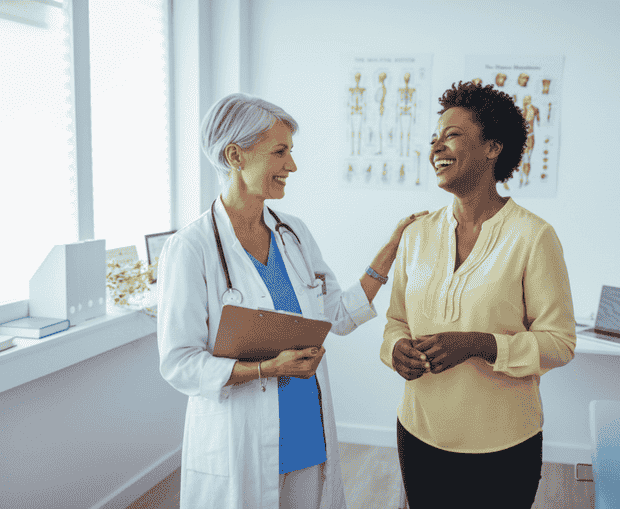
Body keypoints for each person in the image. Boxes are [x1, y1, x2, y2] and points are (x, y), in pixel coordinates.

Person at [157, 92, 427, 509]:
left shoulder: (293, 233)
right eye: (280, 152)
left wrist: (391, 247)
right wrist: (268, 368)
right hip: (241, 438)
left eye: (291, 152)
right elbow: (179, 363)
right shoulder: (191, 248)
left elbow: (337, 314)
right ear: (235, 155)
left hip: (305, 427)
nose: (292, 166)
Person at [380, 81, 576, 508]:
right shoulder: (416, 234)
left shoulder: (534, 237)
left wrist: (478, 345)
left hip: (504, 445)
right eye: (434, 138)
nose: (437, 147)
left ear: (492, 147)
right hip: (419, 432)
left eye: (451, 135)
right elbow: (396, 320)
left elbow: (559, 344)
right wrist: (395, 348)